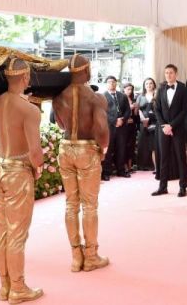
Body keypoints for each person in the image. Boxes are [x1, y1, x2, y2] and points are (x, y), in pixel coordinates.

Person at [0, 58, 44, 303]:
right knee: (17, 233)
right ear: (25, 78)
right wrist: (38, 167)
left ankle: (5, 286)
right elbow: (35, 152)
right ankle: (18, 288)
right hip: (17, 170)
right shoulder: (30, 109)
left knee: (1, 231)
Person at [52, 54, 110, 273]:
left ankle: (76, 256)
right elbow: (102, 132)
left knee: (70, 204)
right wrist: (102, 149)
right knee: (89, 205)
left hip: (66, 147)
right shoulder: (96, 98)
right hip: (86, 149)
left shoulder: (58, 98)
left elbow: (59, 124)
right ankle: (91, 255)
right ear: (87, 70)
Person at [152, 64, 187, 197]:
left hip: (178, 129)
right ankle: (162, 187)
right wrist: (164, 125)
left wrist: (172, 126)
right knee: (163, 158)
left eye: (171, 73)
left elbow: (184, 111)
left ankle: (183, 187)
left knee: (181, 157)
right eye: (166, 73)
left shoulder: (184, 89)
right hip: (163, 130)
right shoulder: (161, 88)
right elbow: (156, 108)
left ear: (176, 74)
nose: (168, 75)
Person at [102, 76, 131, 180]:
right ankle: (106, 172)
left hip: (122, 126)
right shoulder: (102, 96)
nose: (112, 84)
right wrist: (114, 121)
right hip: (109, 127)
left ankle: (121, 170)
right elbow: (102, 112)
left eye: (113, 82)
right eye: (109, 82)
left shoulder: (122, 96)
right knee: (108, 150)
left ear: (116, 83)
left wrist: (122, 120)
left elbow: (128, 110)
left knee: (121, 148)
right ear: (106, 84)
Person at [136, 78, 157, 171]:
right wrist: (142, 118)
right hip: (143, 122)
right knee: (143, 143)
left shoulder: (157, 95)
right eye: (147, 84)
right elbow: (138, 109)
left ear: (153, 85)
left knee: (154, 144)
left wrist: (151, 118)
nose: (149, 85)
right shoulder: (140, 96)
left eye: (151, 83)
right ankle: (143, 165)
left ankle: (155, 165)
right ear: (144, 85)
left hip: (155, 121)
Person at [123, 83, 139, 173]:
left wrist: (136, 109)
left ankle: (130, 166)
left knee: (131, 145)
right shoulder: (121, 98)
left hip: (132, 125)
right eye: (128, 89)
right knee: (124, 145)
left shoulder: (133, 99)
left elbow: (136, 115)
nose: (130, 91)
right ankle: (124, 166)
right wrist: (130, 107)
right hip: (124, 126)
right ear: (124, 89)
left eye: (131, 89)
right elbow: (120, 111)